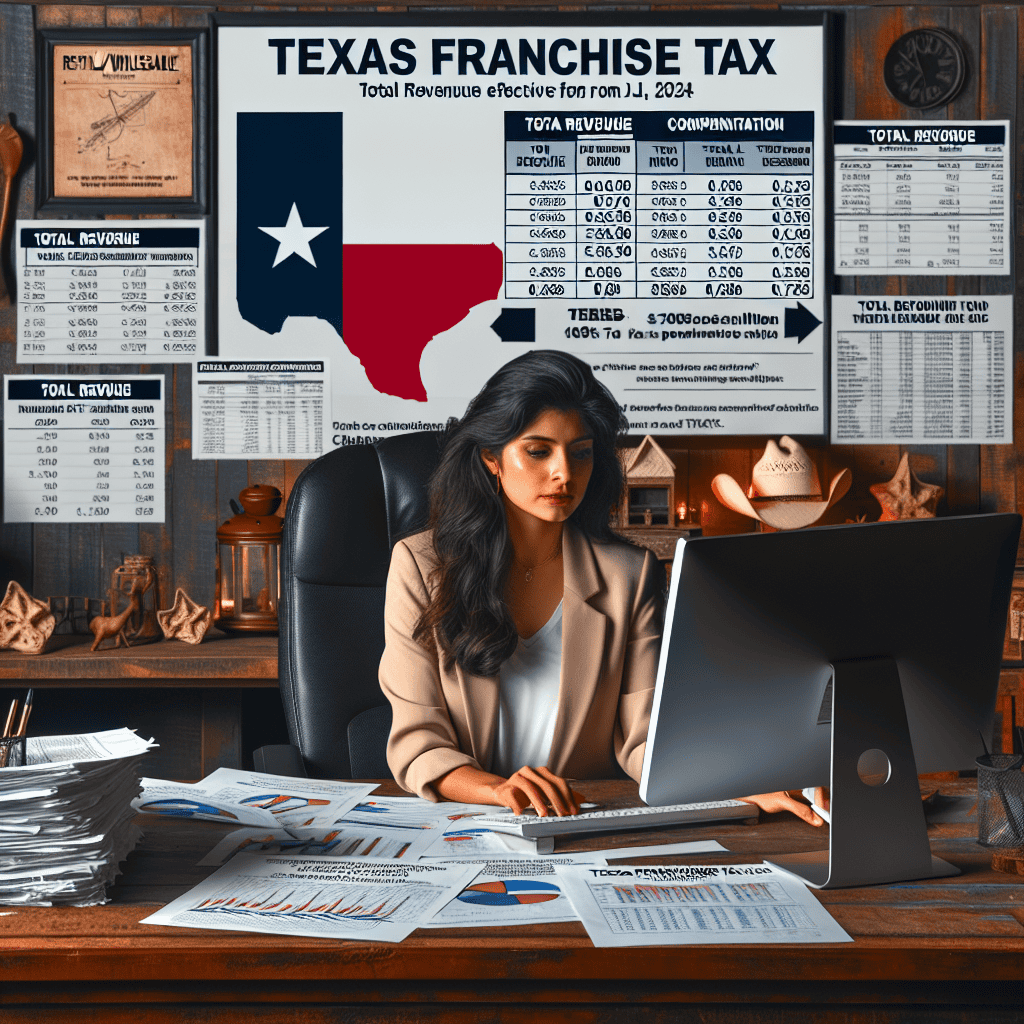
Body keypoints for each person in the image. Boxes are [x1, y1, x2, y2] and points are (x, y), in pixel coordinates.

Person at [379, 350, 822, 825]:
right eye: (538, 450)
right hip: (462, 821)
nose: (564, 473)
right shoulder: (421, 566)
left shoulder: (628, 577)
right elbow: (418, 740)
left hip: (582, 824)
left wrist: (741, 781)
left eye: (581, 451)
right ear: (491, 457)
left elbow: (647, 736)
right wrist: (498, 789)